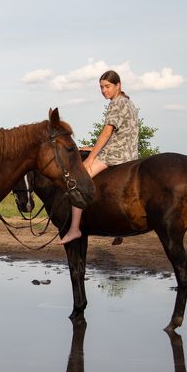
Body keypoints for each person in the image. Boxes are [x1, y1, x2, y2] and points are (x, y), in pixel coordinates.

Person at [58, 70, 139, 245]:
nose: (104, 91)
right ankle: (120, 232)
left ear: (118, 85)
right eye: (101, 87)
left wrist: (91, 157)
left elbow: (107, 132)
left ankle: (74, 229)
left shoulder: (116, 103)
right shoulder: (128, 103)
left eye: (107, 86)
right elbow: (120, 134)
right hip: (130, 154)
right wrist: (91, 147)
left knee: (78, 182)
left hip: (116, 154)